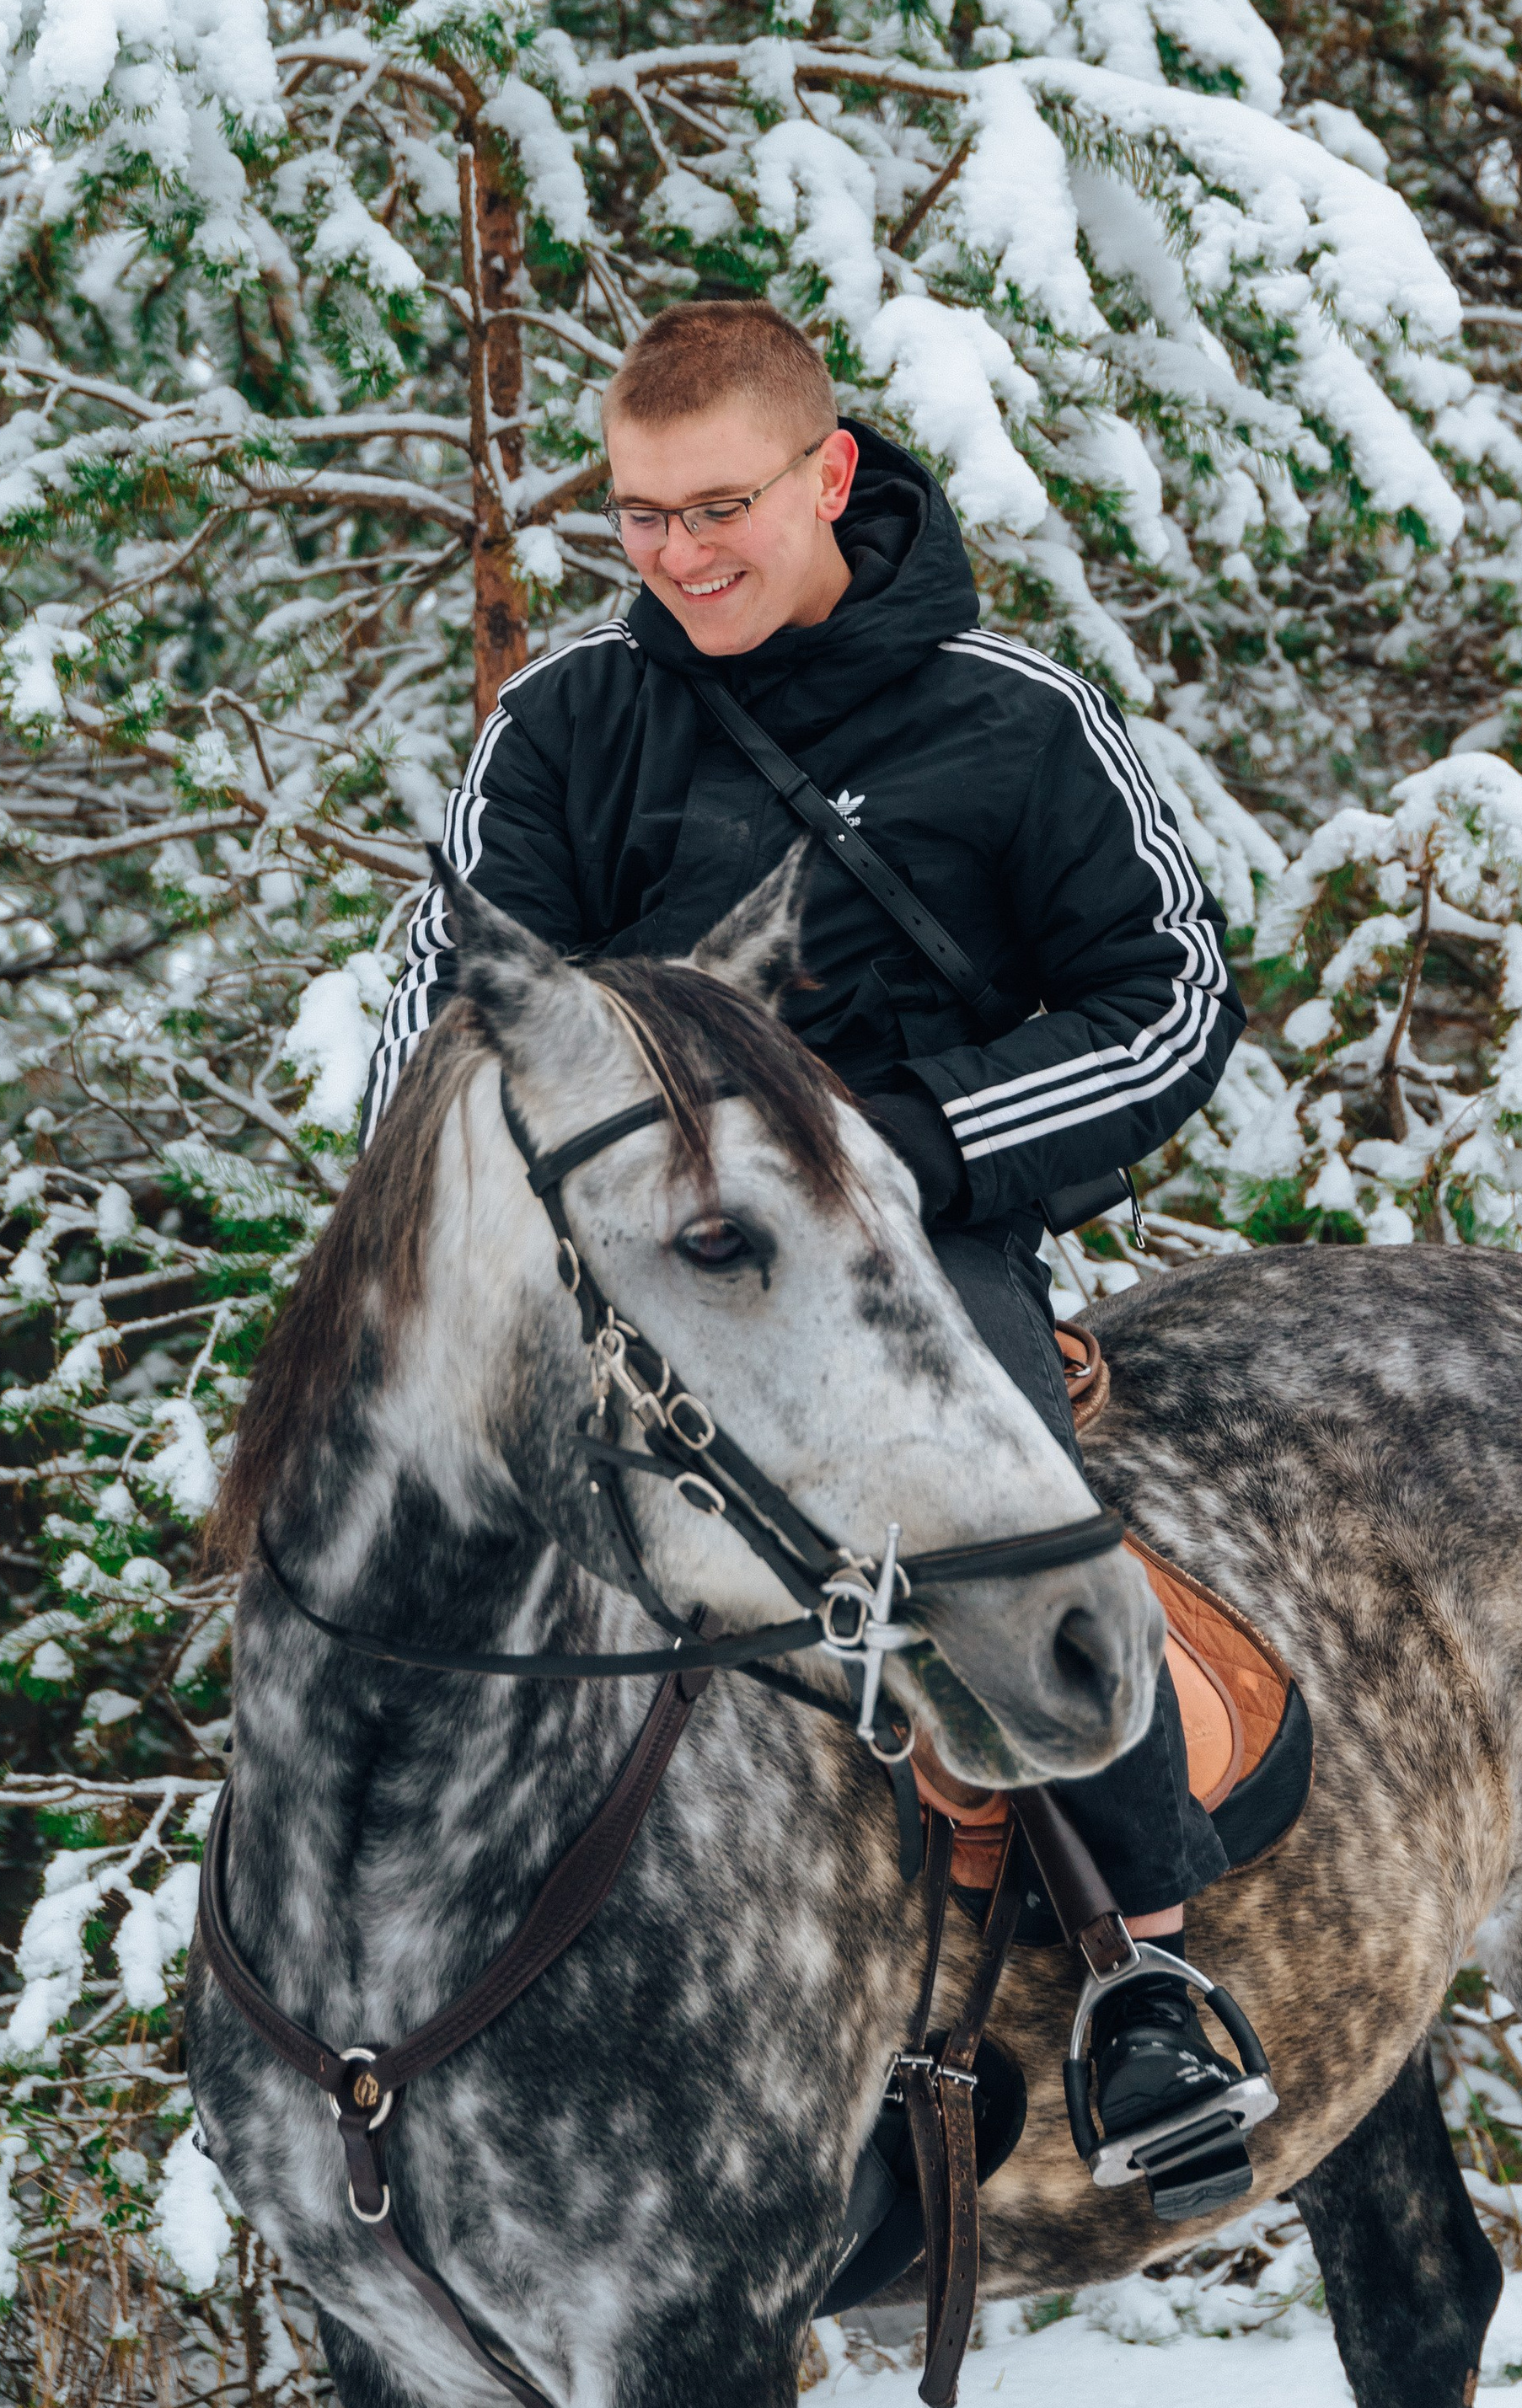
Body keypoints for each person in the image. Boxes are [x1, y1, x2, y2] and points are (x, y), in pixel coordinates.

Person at [362, 297, 1250, 2188]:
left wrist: (905, 1151)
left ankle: (1136, 1976)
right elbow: (453, 1015)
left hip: (910, 1229)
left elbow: (1167, 997)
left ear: (828, 472)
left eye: (717, 509)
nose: (673, 557)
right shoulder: (569, 723)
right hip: (618, 1259)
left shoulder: (1011, 721)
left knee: (998, 1482)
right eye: (637, 517)